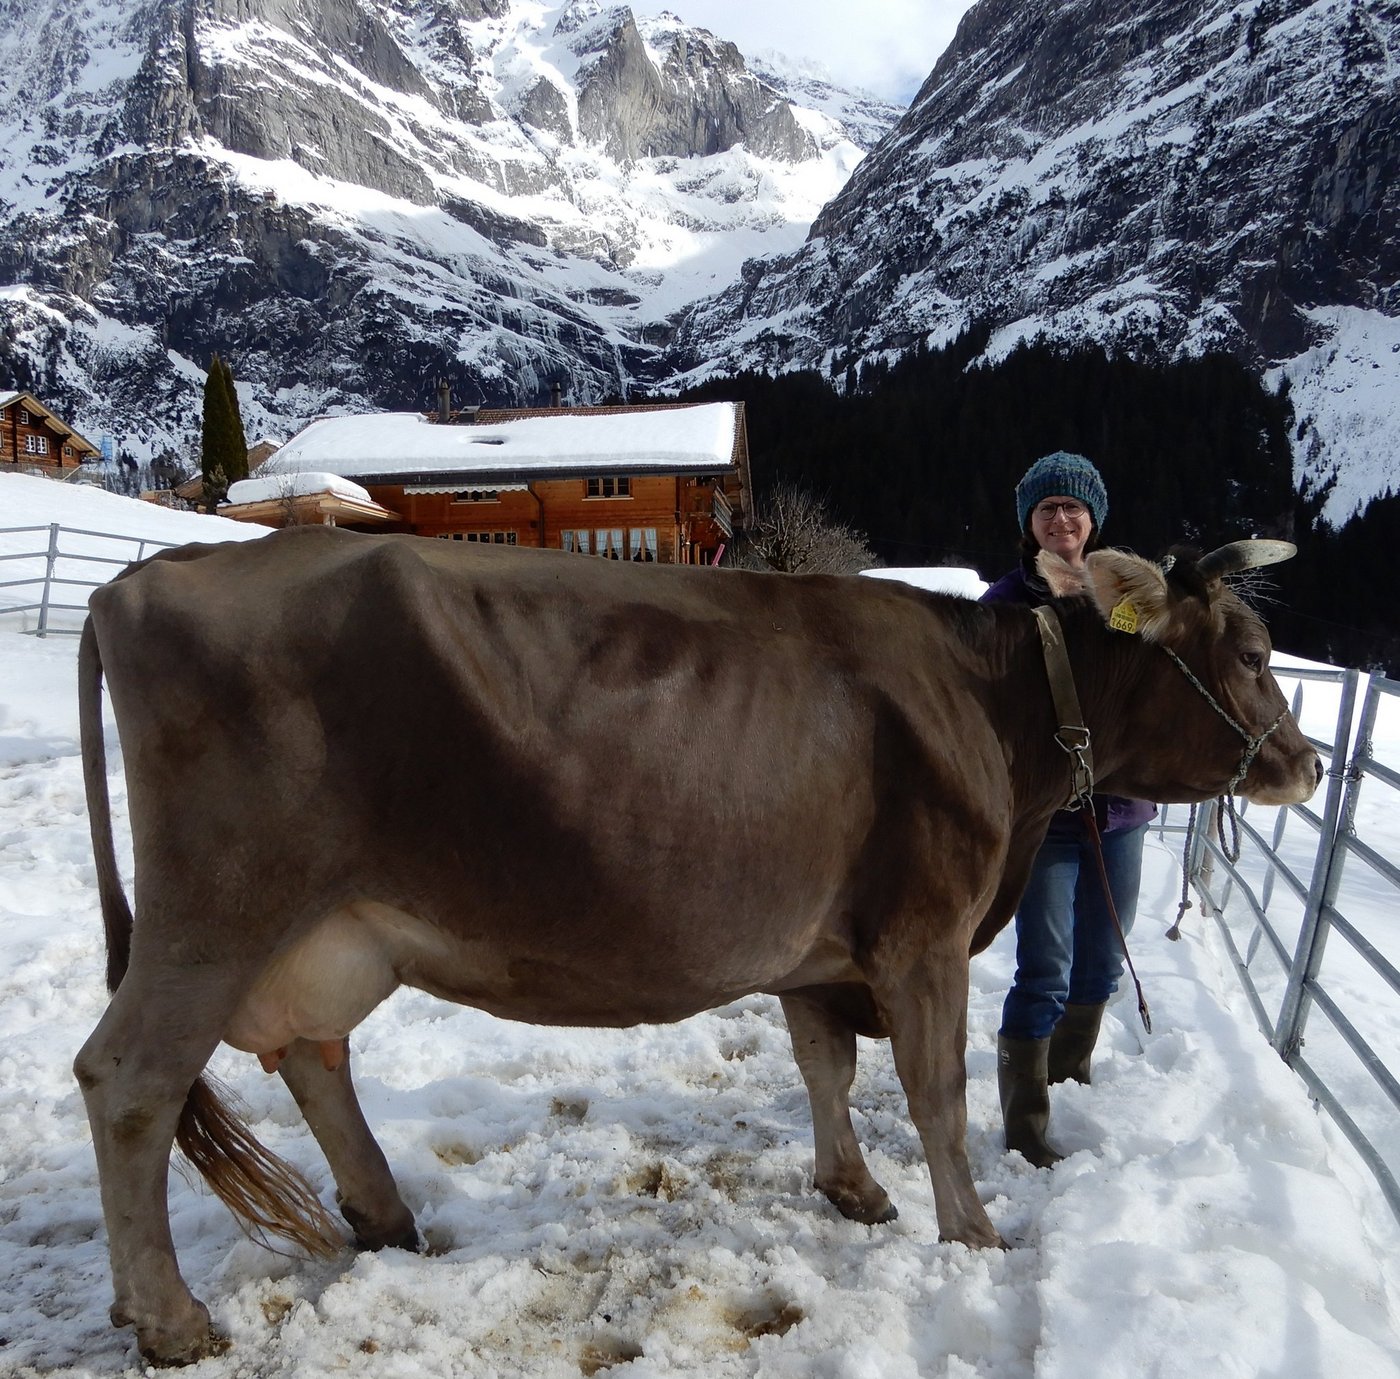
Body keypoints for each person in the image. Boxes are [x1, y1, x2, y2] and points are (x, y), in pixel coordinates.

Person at [980, 451, 1155, 1167]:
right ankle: (1025, 1127)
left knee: (1103, 962)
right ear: (1030, 522)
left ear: (1093, 519)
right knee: (1044, 964)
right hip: (1046, 816)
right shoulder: (1003, 603)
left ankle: (1067, 1076)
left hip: (1121, 810)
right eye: (1047, 508)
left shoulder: (1132, 597)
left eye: (1072, 508)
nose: (1060, 519)